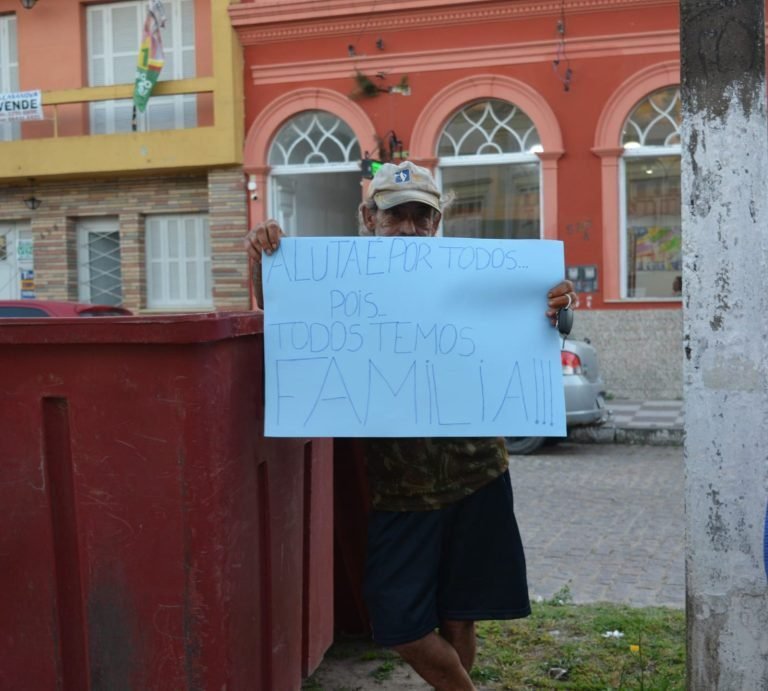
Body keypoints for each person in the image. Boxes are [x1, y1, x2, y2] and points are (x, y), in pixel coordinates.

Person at [245, 161, 577, 691]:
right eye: (396, 215)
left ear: (437, 223)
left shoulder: (470, 273)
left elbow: (539, 322)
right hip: (402, 489)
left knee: (460, 612)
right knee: (398, 623)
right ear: (368, 217)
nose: (409, 228)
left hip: (478, 472)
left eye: (422, 217)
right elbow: (282, 309)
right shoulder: (341, 275)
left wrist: (557, 309)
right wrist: (262, 257)